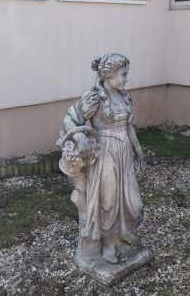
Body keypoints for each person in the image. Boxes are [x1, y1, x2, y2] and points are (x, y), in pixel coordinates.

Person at [58, 53, 145, 264]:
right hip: (106, 153)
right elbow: (71, 119)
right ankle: (108, 245)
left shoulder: (125, 97)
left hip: (124, 151)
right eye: (123, 74)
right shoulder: (94, 97)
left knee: (132, 201)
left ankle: (122, 234)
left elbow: (129, 128)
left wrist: (139, 152)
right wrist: (80, 137)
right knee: (109, 201)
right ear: (109, 75)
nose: (126, 79)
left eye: (126, 74)